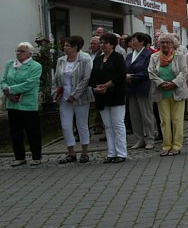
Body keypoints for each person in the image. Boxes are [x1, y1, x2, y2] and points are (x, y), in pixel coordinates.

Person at [52, 35, 94, 164]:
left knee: (82, 125)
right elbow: (56, 79)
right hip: (64, 98)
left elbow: (86, 79)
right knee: (66, 125)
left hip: (80, 98)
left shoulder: (84, 60)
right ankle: (71, 152)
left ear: (75, 48)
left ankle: (84, 152)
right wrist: (55, 91)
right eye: (64, 46)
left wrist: (75, 95)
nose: (64, 48)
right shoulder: (61, 60)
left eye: (67, 46)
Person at [2, 42, 43, 166]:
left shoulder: (35, 66)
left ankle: (36, 156)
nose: (18, 53)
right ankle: (19, 157)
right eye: (17, 51)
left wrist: (11, 89)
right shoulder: (10, 64)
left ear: (30, 54)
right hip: (12, 103)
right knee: (15, 131)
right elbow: (3, 80)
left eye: (22, 51)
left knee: (32, 131)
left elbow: (29, 83)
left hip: (27, 103)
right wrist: (7, 91)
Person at [89, 32, 127, 163]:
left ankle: (121, 153)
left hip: (115, 94)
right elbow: (93, 76)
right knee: (108, 126)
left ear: (112, 44)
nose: (102, 45)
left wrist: (107, 85)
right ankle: (111, 153)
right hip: (101, 96)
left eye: (105, 43)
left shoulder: (118, 57)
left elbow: (121, 75)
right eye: (101, 42)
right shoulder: (98, 59)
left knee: (118, 124)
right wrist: (96, 88)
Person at [149, 33, 188, 156]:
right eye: (162, 42)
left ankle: (176, 145)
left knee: (177, 120)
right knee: (164, 121)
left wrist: (174, 83)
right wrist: (161, 83)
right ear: (159, 44)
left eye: (168, 42)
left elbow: (184, 71)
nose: (165, 44)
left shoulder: (179, 55)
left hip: (177, 92)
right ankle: (166, 145)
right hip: (161, 93)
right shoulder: (154, 56)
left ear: (173, 44)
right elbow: (151, 72)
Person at [126, 32, 156, 150]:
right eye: (131, 40)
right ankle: (139, 139)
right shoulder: (129, 56)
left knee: (146, 115)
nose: (132, 43)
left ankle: (150, 138)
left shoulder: (148, 55)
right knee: (135, 116)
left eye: (134, 40)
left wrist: (133, 76)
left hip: (144, 88)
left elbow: (148, 71)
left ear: (142, 42)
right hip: (131, 89)